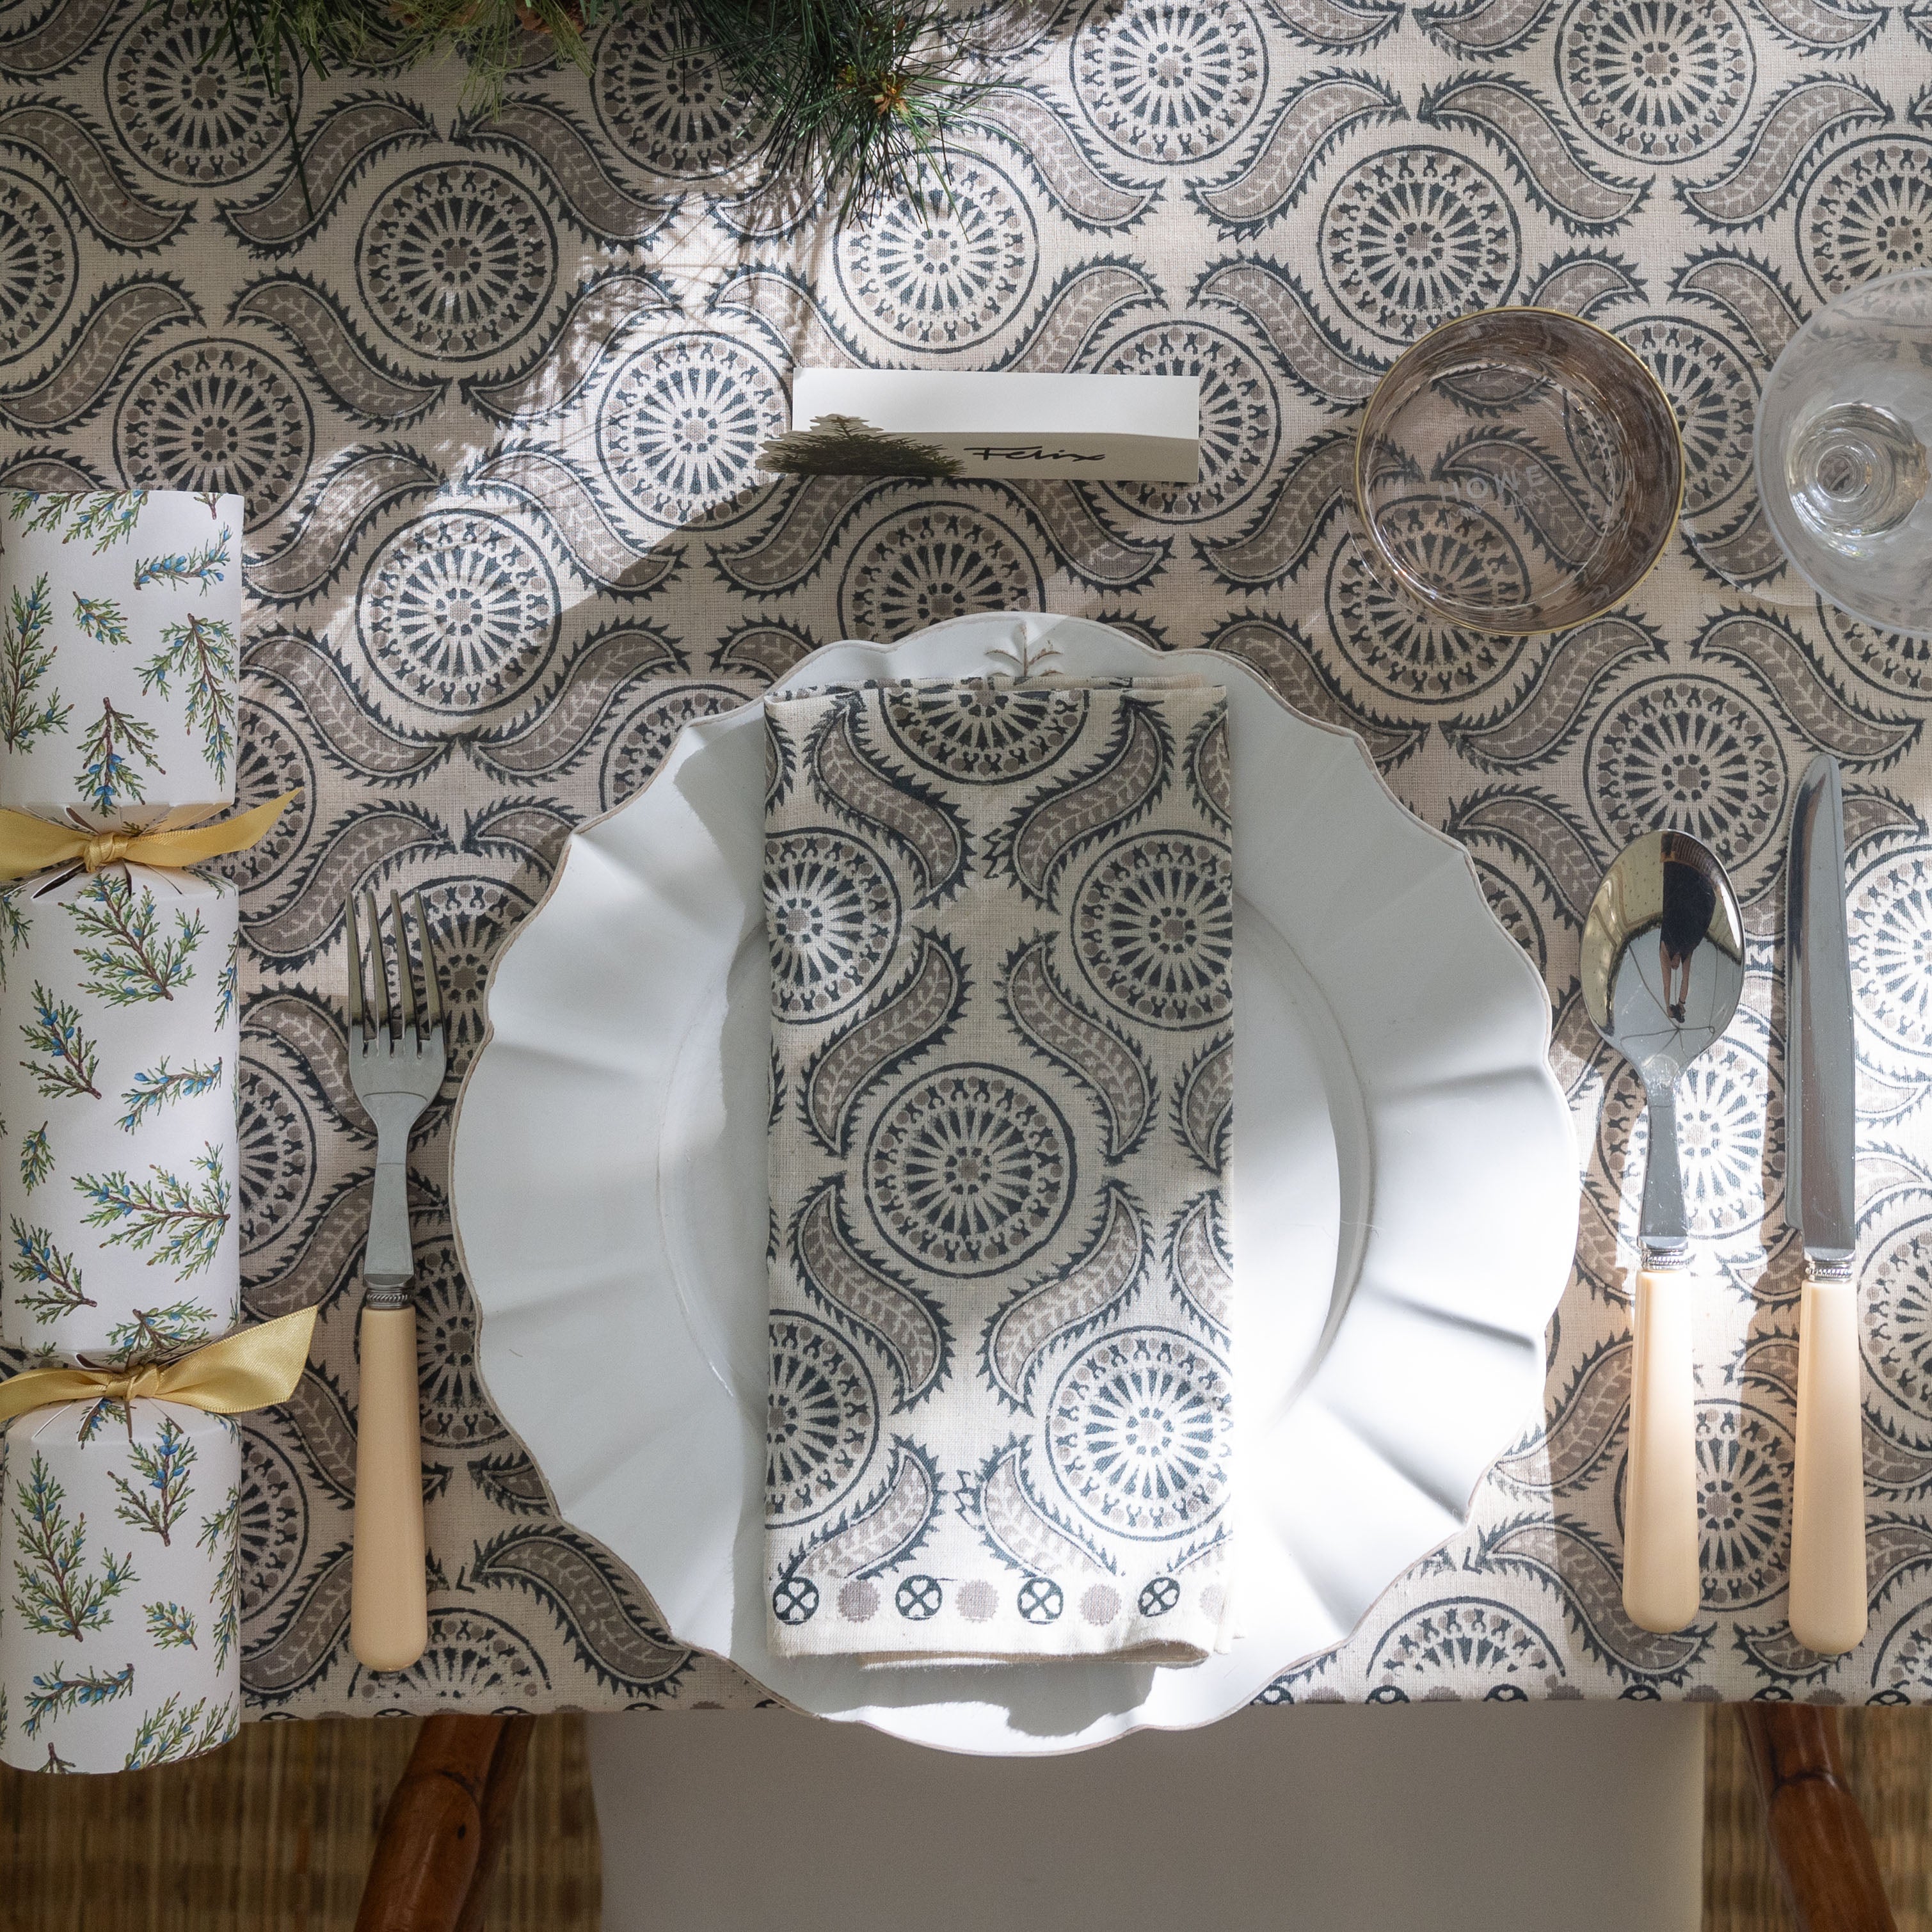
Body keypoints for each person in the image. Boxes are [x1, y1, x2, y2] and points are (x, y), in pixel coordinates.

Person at [1657, 832, 1718, 1023]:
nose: (1675, 965)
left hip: (1675, 902)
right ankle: (1697, 854)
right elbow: (1686, 979)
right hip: (1691, 911)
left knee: (1677, 875)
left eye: (1673, 966)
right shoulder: (1686, 953)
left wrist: (1668, 1007)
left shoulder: (1665, 952)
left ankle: (1680, 844)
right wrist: (1681, 1003)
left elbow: (1667, 986)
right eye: (1677, 966)